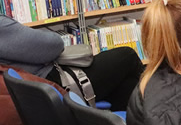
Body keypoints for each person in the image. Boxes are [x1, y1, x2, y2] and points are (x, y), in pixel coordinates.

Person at [0, 14, 143, 111]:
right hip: (51, 85)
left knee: (124, 84)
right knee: (127, 56)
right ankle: (147, 120)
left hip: (31, 90)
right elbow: (53, 45)